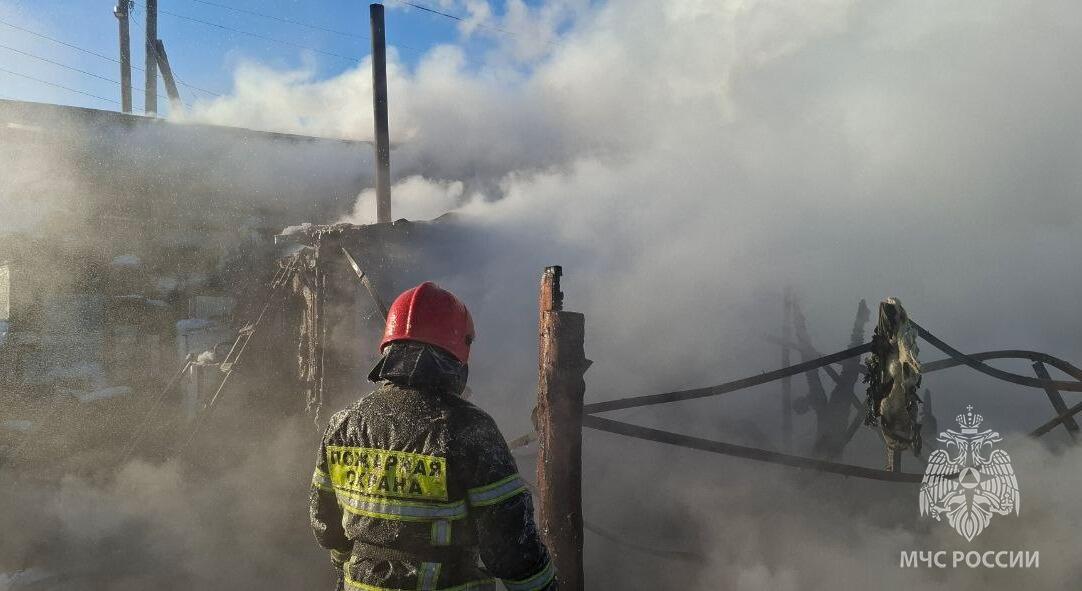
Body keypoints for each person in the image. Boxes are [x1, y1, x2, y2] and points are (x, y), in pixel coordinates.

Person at [310, 281, 557, 591]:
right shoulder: (469, 429)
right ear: (458, 351)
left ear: (389, 347)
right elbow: (510, 549)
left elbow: (326, 526)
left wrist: (354, 566)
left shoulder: (343, 424)